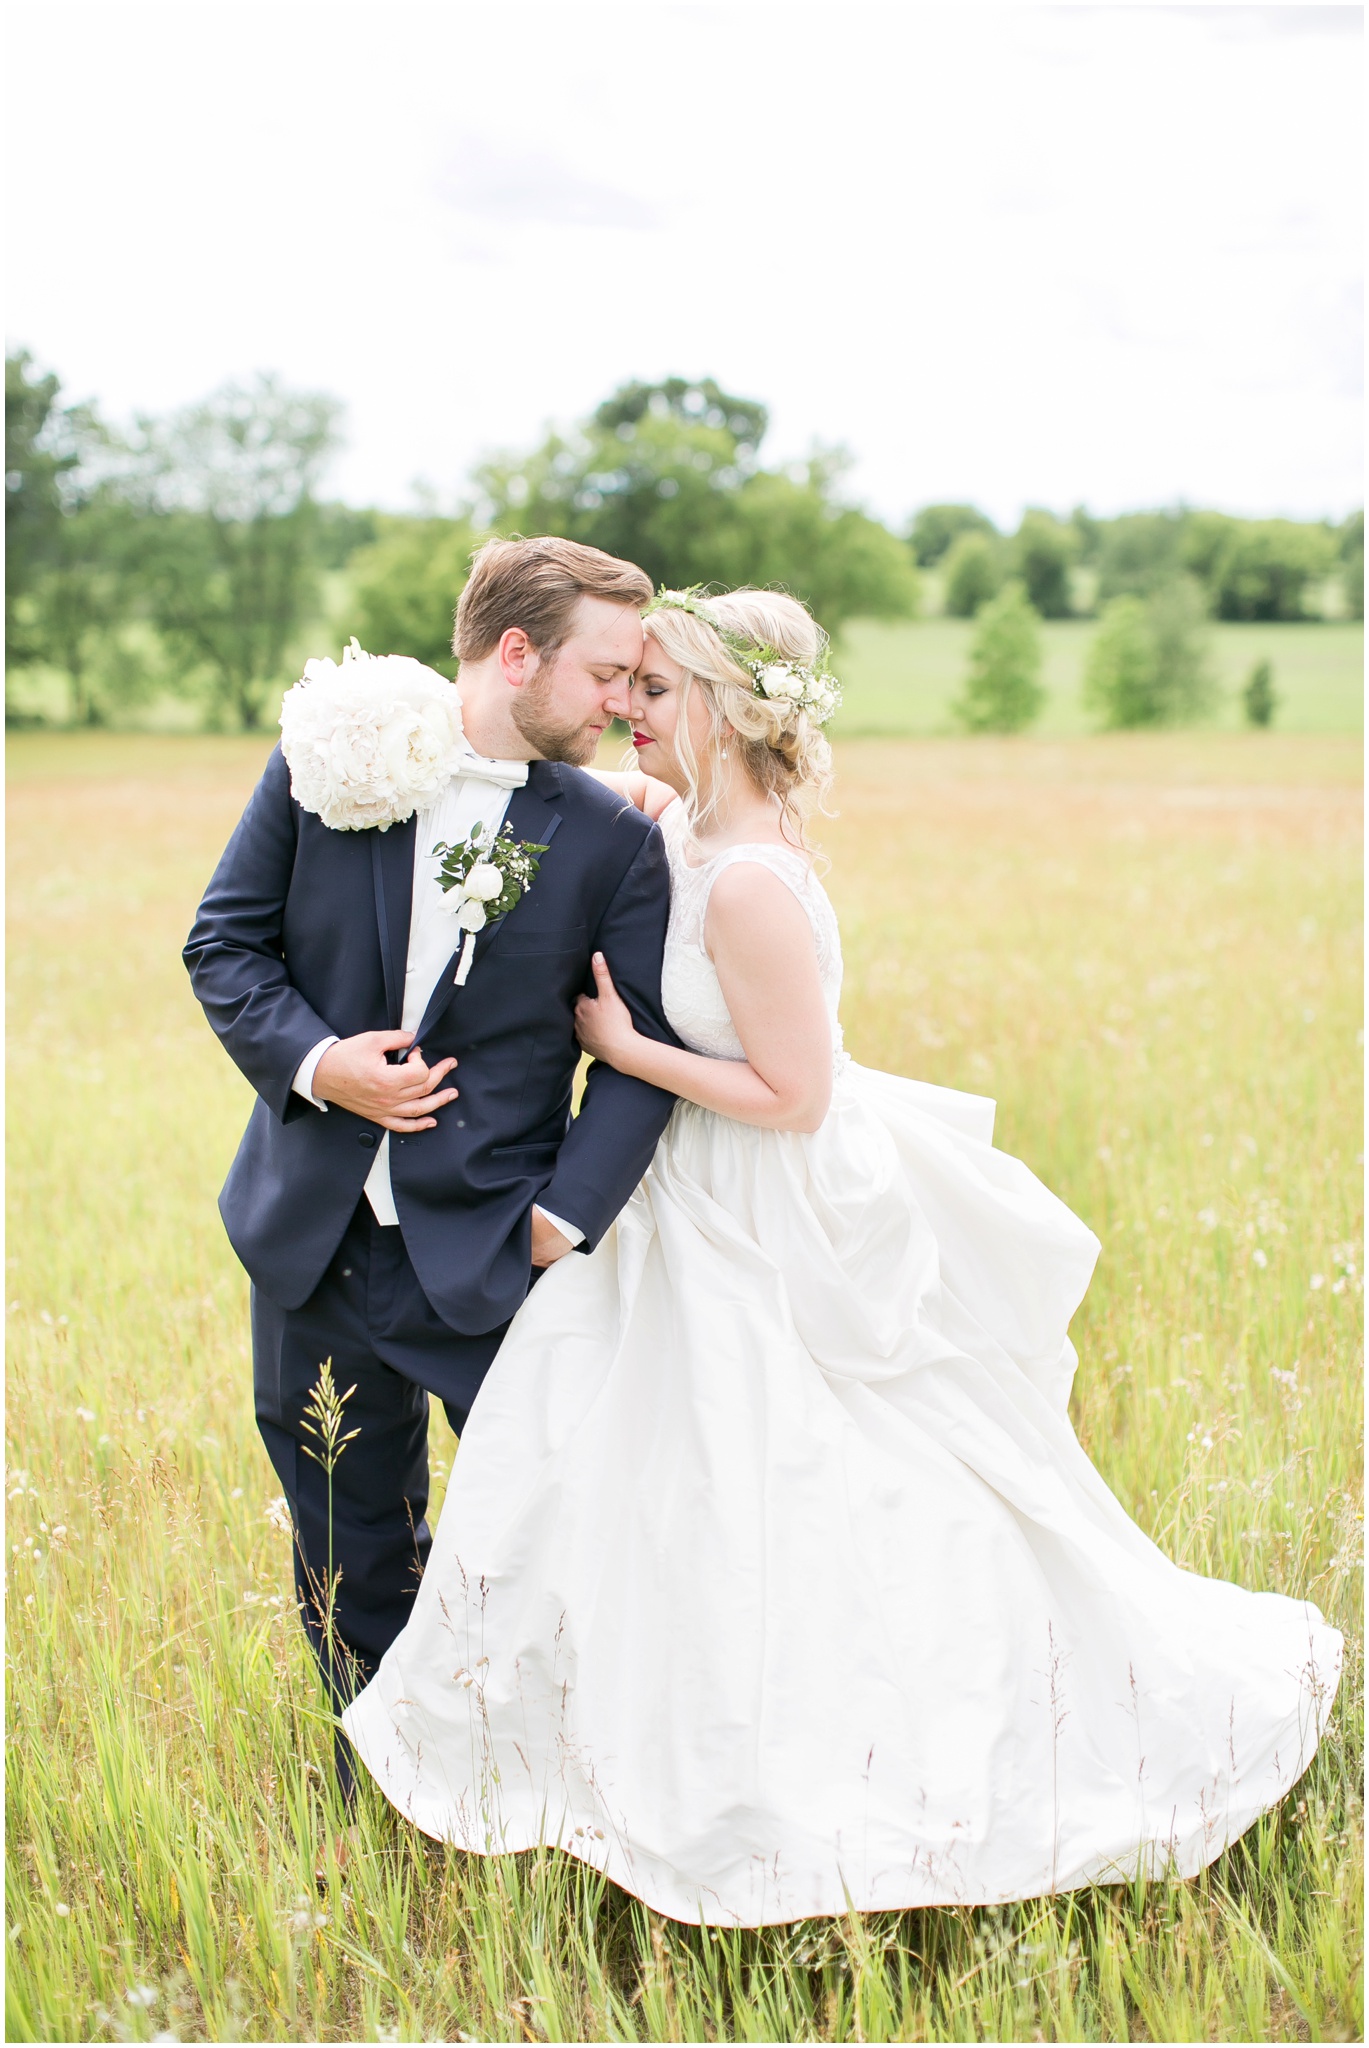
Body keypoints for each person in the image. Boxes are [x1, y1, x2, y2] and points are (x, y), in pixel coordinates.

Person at [342, 585, 1342, 1926]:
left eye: (658, 690)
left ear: (729, 710)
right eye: (628, 684)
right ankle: (603, 1749)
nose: (631, 708)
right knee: (625, 1470)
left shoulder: (751, 882)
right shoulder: (694, 828)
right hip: (679, 1198)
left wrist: (624, 1050)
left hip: (759, 1194)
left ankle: (838, 1773)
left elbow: (794, 1095)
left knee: (796, 1473)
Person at [184, 536, 679, 1795]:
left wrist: (561, 1218)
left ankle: (550, 1782)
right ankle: (385, 1782)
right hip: (311, 1235)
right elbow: (225, 945)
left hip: (498, 1249)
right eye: (608, 672)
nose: (625, 702)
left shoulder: (614, 839)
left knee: (543, 1531)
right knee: (346, 1539)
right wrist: (319, 1063)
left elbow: (640, 1052)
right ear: (517, 653)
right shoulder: (331, 759)